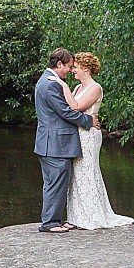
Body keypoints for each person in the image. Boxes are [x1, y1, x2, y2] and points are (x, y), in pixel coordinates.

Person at [60, 52, 134, 229]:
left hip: (88, 135)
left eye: (76, 68)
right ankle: (78, 216)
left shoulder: (95, 88)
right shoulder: (78, 88)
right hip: (78, 133)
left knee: (87, 172)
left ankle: (92, 216)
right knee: (77, 174)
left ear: (85, 68)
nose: (73, 71)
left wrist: (62, 86)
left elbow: (76, 107)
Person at [32, 47, 100, 233]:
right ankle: (50, 223)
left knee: (55, 182)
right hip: (55, 144)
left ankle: (55, 220)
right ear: (59, 64)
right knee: (55, 182)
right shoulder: (51, 83)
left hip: (51, 142)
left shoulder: (47, 81)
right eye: (69, 66)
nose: (70, 70)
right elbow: (65, 111)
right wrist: (88, 120)